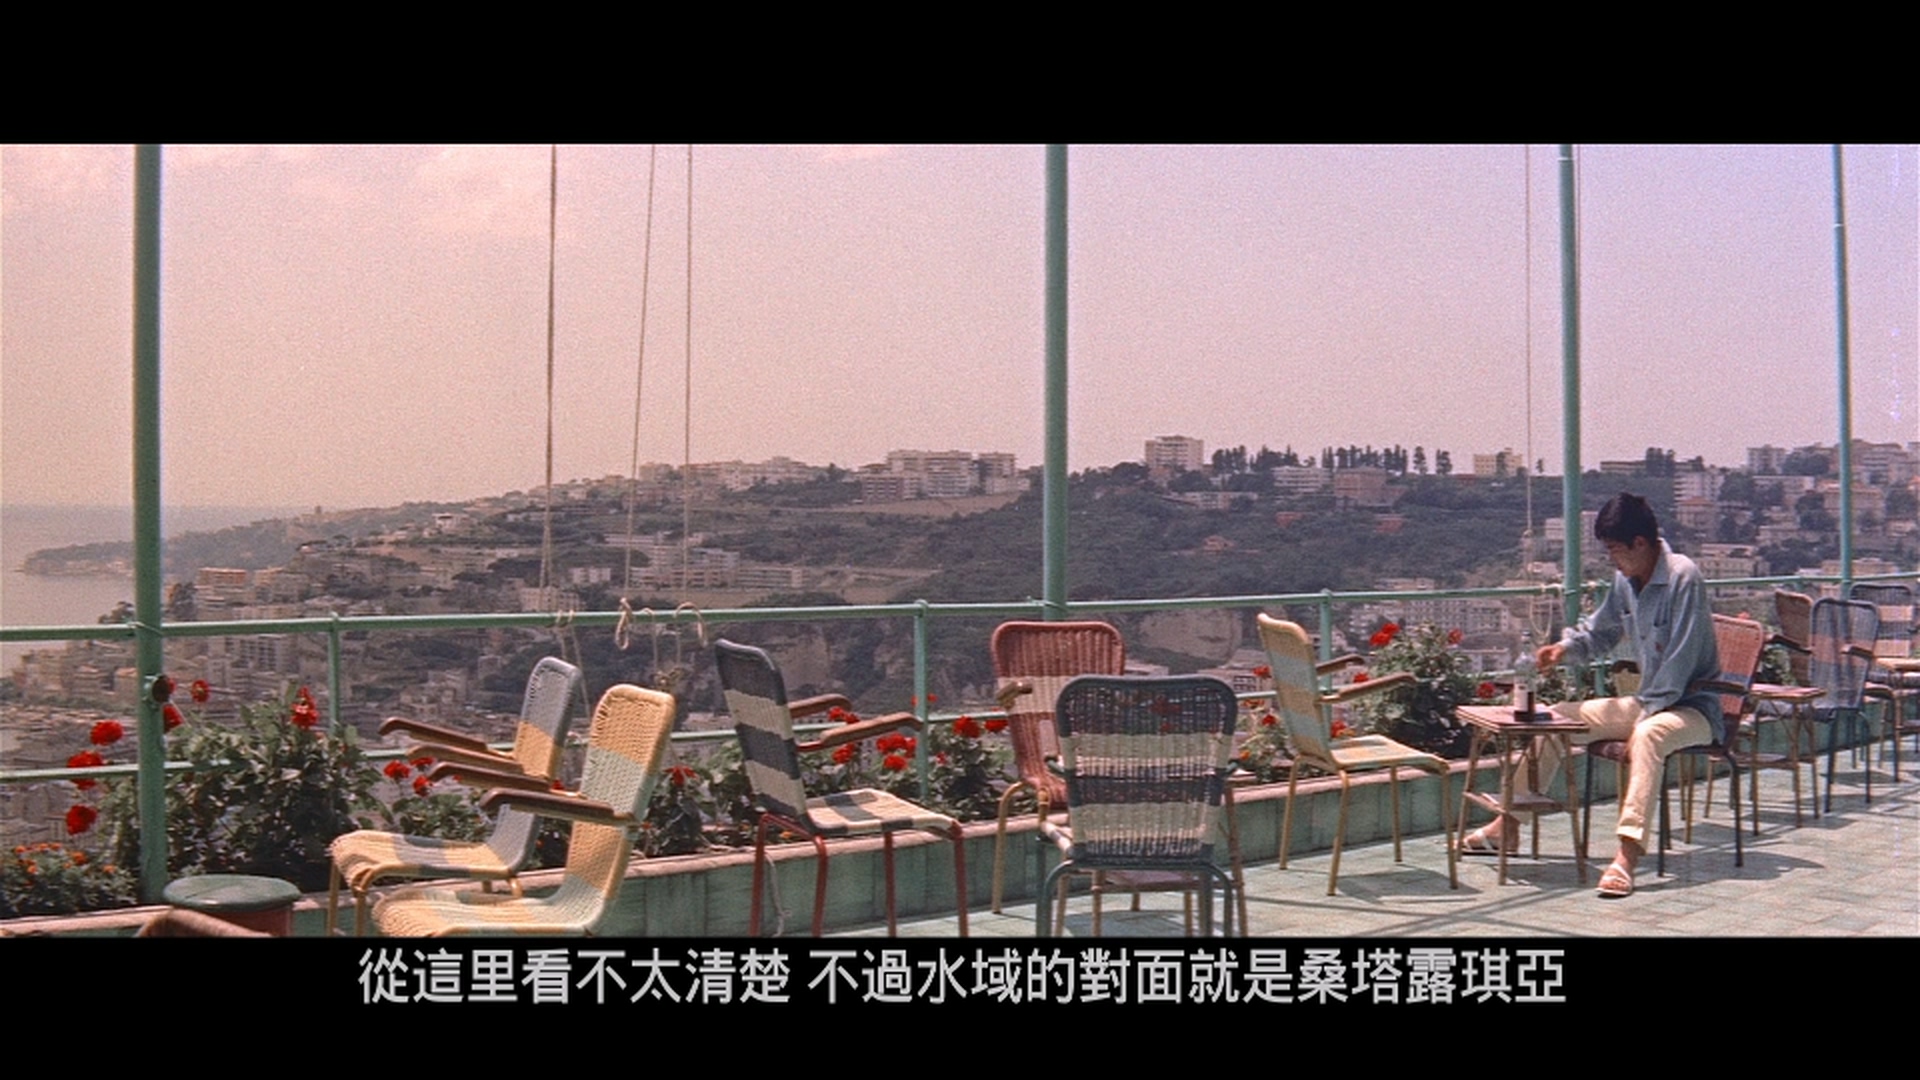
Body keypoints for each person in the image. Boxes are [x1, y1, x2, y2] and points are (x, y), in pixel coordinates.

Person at [1462, 492, 1721, 898]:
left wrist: (1645, 715)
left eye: (1615, 549)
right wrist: (1563, 650)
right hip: (1647, 702)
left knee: (1649, 735)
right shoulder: (1624, 581)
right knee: (1557, 718)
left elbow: (1681, 660)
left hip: (1692, 707)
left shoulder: (1683, 577)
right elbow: (1600, 633)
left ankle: (1627, 855)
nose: (1612, 559)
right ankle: (1507, 826)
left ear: (1640, 543)